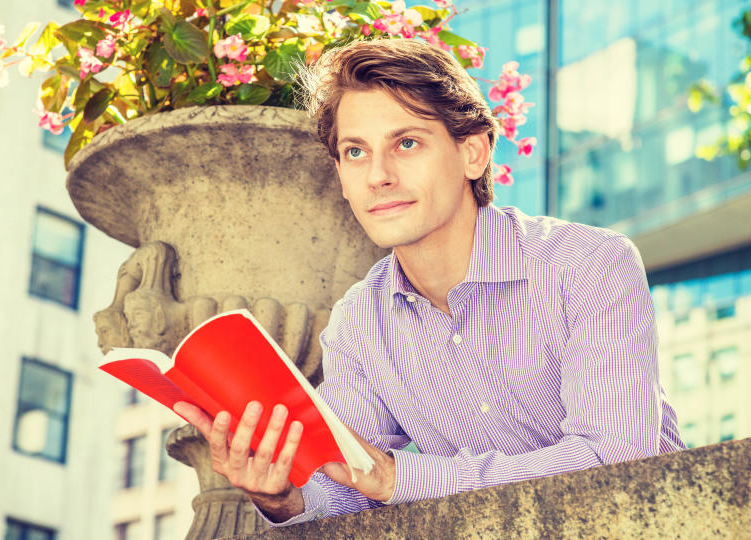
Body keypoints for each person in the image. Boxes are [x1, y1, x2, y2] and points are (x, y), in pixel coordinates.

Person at [173, 37, 686, 526]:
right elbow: (352, 481)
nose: (378, 175)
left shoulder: (588, 264)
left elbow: (614, 459)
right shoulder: (358, 322)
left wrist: (400, 476)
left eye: (407, 143)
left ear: (474, 154)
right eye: (355, 152)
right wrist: (282, 496)